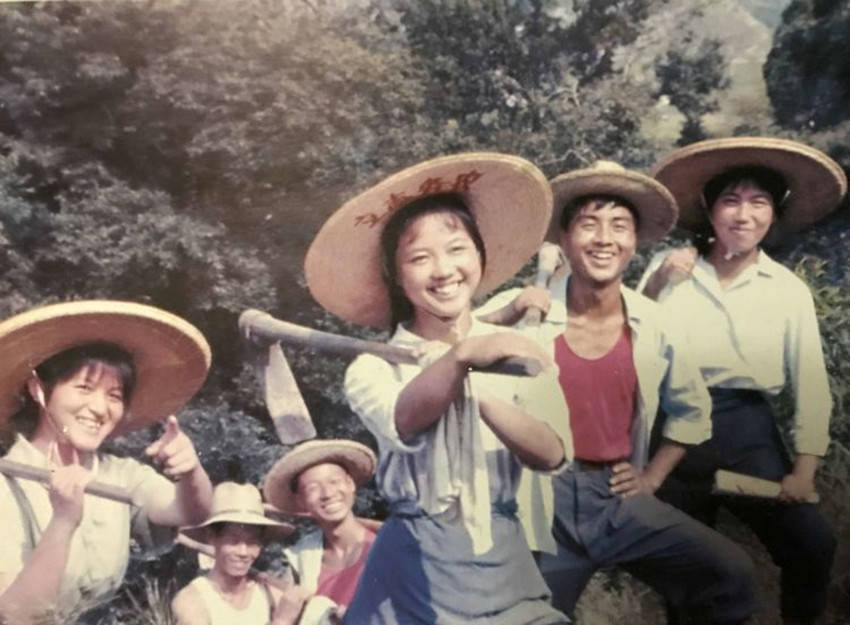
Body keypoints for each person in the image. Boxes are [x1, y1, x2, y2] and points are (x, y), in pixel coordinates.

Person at [304, 153, 573, 624]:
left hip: (501, 553)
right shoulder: (373, 367)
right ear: (396, 275)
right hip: (414, 564)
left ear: (479, 255)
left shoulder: (513, 349)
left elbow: (551, 453)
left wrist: (478, 387)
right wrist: (460, 358)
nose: (443, 270)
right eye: (419, 258)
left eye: (456, 249)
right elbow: (404, 421)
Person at [496, 161, 759, 623]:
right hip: (541, 504)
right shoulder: (525, 310)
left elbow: (692, 411)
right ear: (563, 239)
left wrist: (652, 477)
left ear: (634, 241)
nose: (604, 239)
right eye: (588, 224)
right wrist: (503, 319)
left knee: (730, 574)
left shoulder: (654, 321)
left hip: (617, 498)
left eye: (619, 225)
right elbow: (452, 359)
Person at [637, 137, 845, 624]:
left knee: (813, 543)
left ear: (774, 213)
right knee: (687, 574)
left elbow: (811, 384)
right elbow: (631, 346)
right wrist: (656, 285)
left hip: (746, 431)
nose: (744, 215)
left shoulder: (787, 290)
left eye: (759, 202)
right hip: (673, 430)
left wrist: (804, 470)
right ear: (710, 210)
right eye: (731, 200)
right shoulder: (668, 271)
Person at [0, 300, 214, 624]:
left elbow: (191, 513)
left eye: (114, 395)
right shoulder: (7, 484)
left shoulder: (121, 475)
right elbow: (16, 615)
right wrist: (63, 521)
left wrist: (191, 472)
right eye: (84, 388)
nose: (100, 409)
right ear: (38, 390)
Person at [263, 439, 379, 624]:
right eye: (313, 488)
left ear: (350, 483)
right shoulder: (300, 561)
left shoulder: (387, 549)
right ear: (301, 500)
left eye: (334, 481)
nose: (327, 493)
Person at [172, 481, 295, 625]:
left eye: (252, 542)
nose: (243, 552)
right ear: (212, 537)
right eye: (233, 541)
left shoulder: (270, 594)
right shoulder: (193, 601)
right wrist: (282, 621)